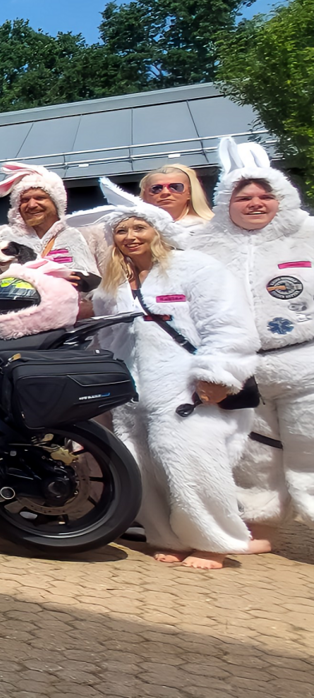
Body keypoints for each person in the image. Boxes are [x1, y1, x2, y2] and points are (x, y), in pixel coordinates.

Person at [78, 180, 260, 569]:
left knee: (191, 462)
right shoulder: (113, 284)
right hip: (133, 391)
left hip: (186, 387)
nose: (130, 236)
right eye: (121, 230)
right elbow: (106, 337)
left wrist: (217, 373)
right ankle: (166, 535)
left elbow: (228, 324)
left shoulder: (197, 268)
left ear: (159, 230)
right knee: (142, 466)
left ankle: (212, 541)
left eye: (139, 227)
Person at [189, 137, 314, 554]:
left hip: (304, 361)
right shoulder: (203, 244)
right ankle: (260, 523)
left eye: (265, 195)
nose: (255, 203)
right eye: (244, 197)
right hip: (243, 366)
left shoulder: (308, 234)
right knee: (254, 452)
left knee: (310, 444)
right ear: (226, 201)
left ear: (283, 198)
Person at [0, 163, 99, 291]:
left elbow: (100, 283)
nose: (31, 205)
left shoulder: (80, 234)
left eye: (40, 198)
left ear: (56, 203)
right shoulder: (2, 236)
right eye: (24, 200)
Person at [140, 164, 214, 227]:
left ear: (189, 192)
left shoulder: (209, 228)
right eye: (156, 188)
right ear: (146, 195)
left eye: (175, 187)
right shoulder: (136, 230)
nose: (165, 192)